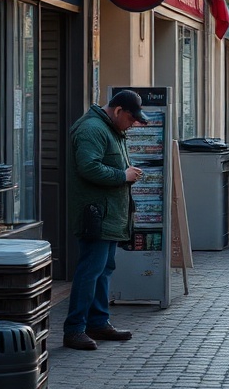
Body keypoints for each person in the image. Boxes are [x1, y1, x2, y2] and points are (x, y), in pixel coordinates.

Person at [63, 89, 150, 351]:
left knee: (103, 269)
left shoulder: (110, 128)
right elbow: (88, 166)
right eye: (131, 118)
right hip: (96, 215)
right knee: (90, 271)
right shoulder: (92, 128)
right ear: (118, 111)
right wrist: (122, 176)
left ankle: (98, 322)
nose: (133, 124)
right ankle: (75, 328)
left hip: (108, 215)